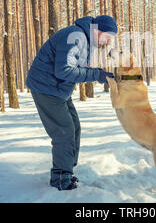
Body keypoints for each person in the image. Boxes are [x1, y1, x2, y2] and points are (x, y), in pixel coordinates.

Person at [26, 15, 117, 191]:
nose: (107, 42)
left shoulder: (84, 38)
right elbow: (64, 70)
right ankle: (61, 178)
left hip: (58, 88)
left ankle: (67, 169)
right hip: (46, 87)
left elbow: (74, 67)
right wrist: (96, 75)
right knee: (64, 131)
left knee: (74, 126)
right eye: (107, 37)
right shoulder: (76, 36)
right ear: (98, 30)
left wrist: (99, 73)